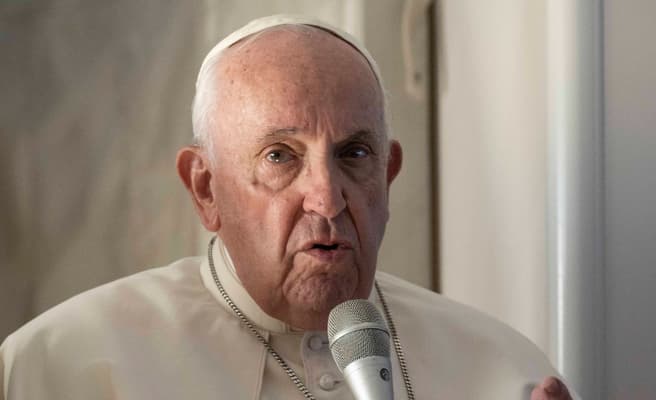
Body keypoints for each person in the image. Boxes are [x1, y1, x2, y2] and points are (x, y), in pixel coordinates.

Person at [0, 15, 576, 400]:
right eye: (281, 156)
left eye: (354, 153)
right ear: (205, 188)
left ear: (388, 175)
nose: (327, 198)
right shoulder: (55, 370)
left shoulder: (503, 369)